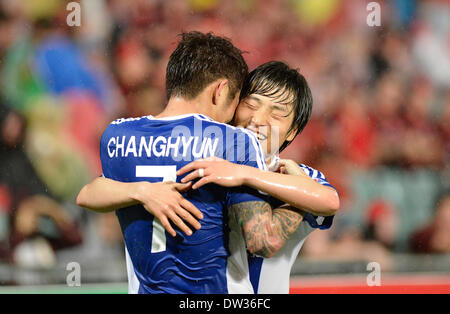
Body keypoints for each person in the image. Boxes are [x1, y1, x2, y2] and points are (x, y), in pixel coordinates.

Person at [78, 59, 339, 293]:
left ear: (293, 131)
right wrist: (142, 191)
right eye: (251, 104)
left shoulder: (297, 177)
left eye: (277, 112)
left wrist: (243, 173)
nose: (258, 118)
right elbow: (90, 191)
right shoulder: (198, 154)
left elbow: (329, 200)